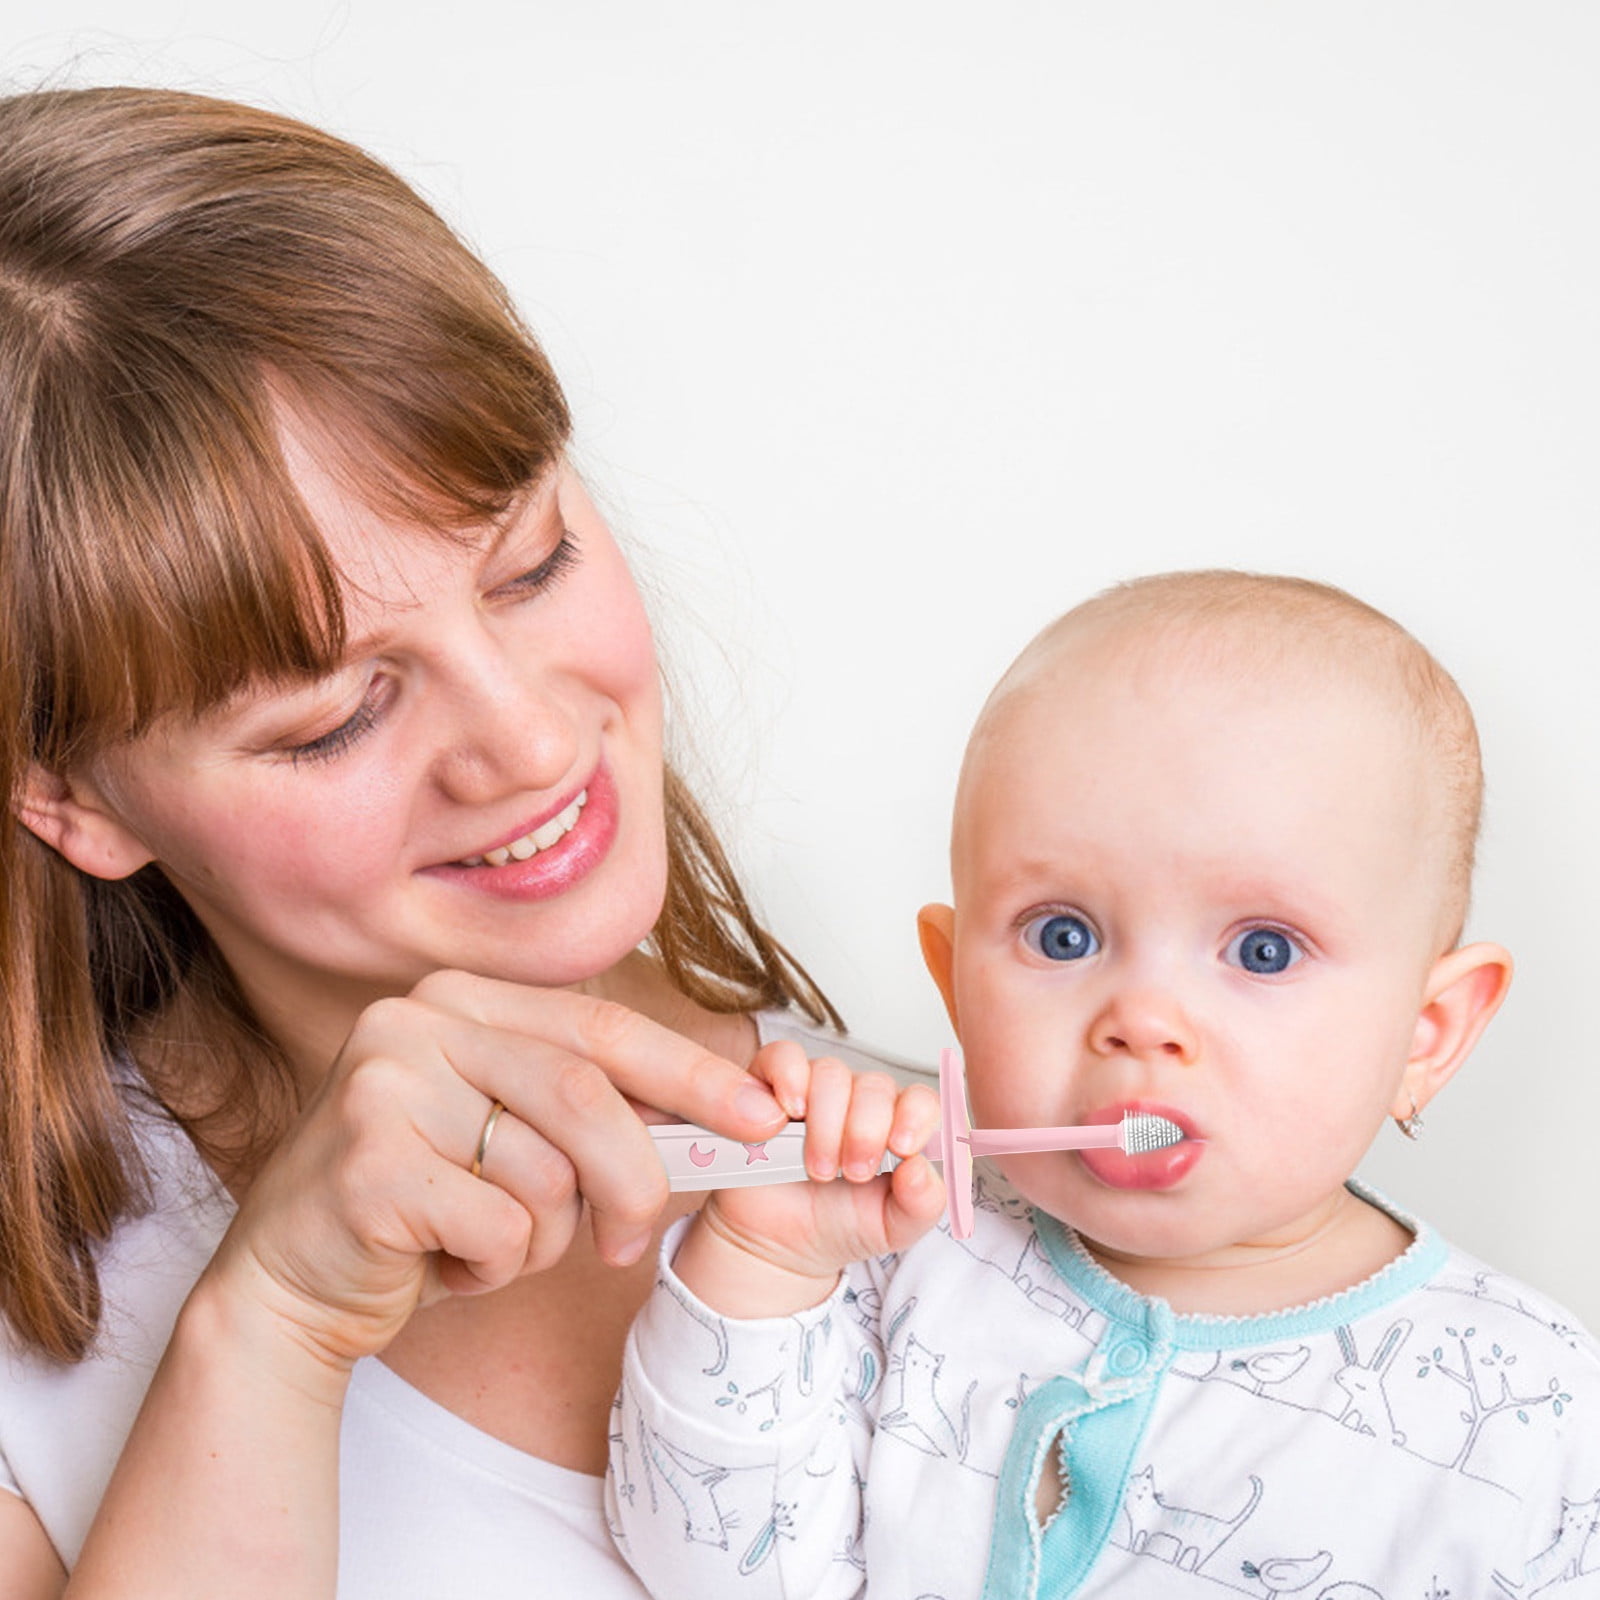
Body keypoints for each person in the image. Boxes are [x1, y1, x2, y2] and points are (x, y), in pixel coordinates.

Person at [0, 84, 925, 1599]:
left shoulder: (970, 1169)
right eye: (336, 716)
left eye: (530, 561)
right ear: (75, 803)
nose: (536, 742)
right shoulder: (44, 1358)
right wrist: (270, 1329)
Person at [608, 571, 1600, 1598]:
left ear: (1425, 1036)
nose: (1142, 1018)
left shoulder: (1532, 1416)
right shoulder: (890, 1256)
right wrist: (764, 1264)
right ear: (956, 990)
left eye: (1262, 951)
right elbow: (708, 1570)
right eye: (1063, 935)